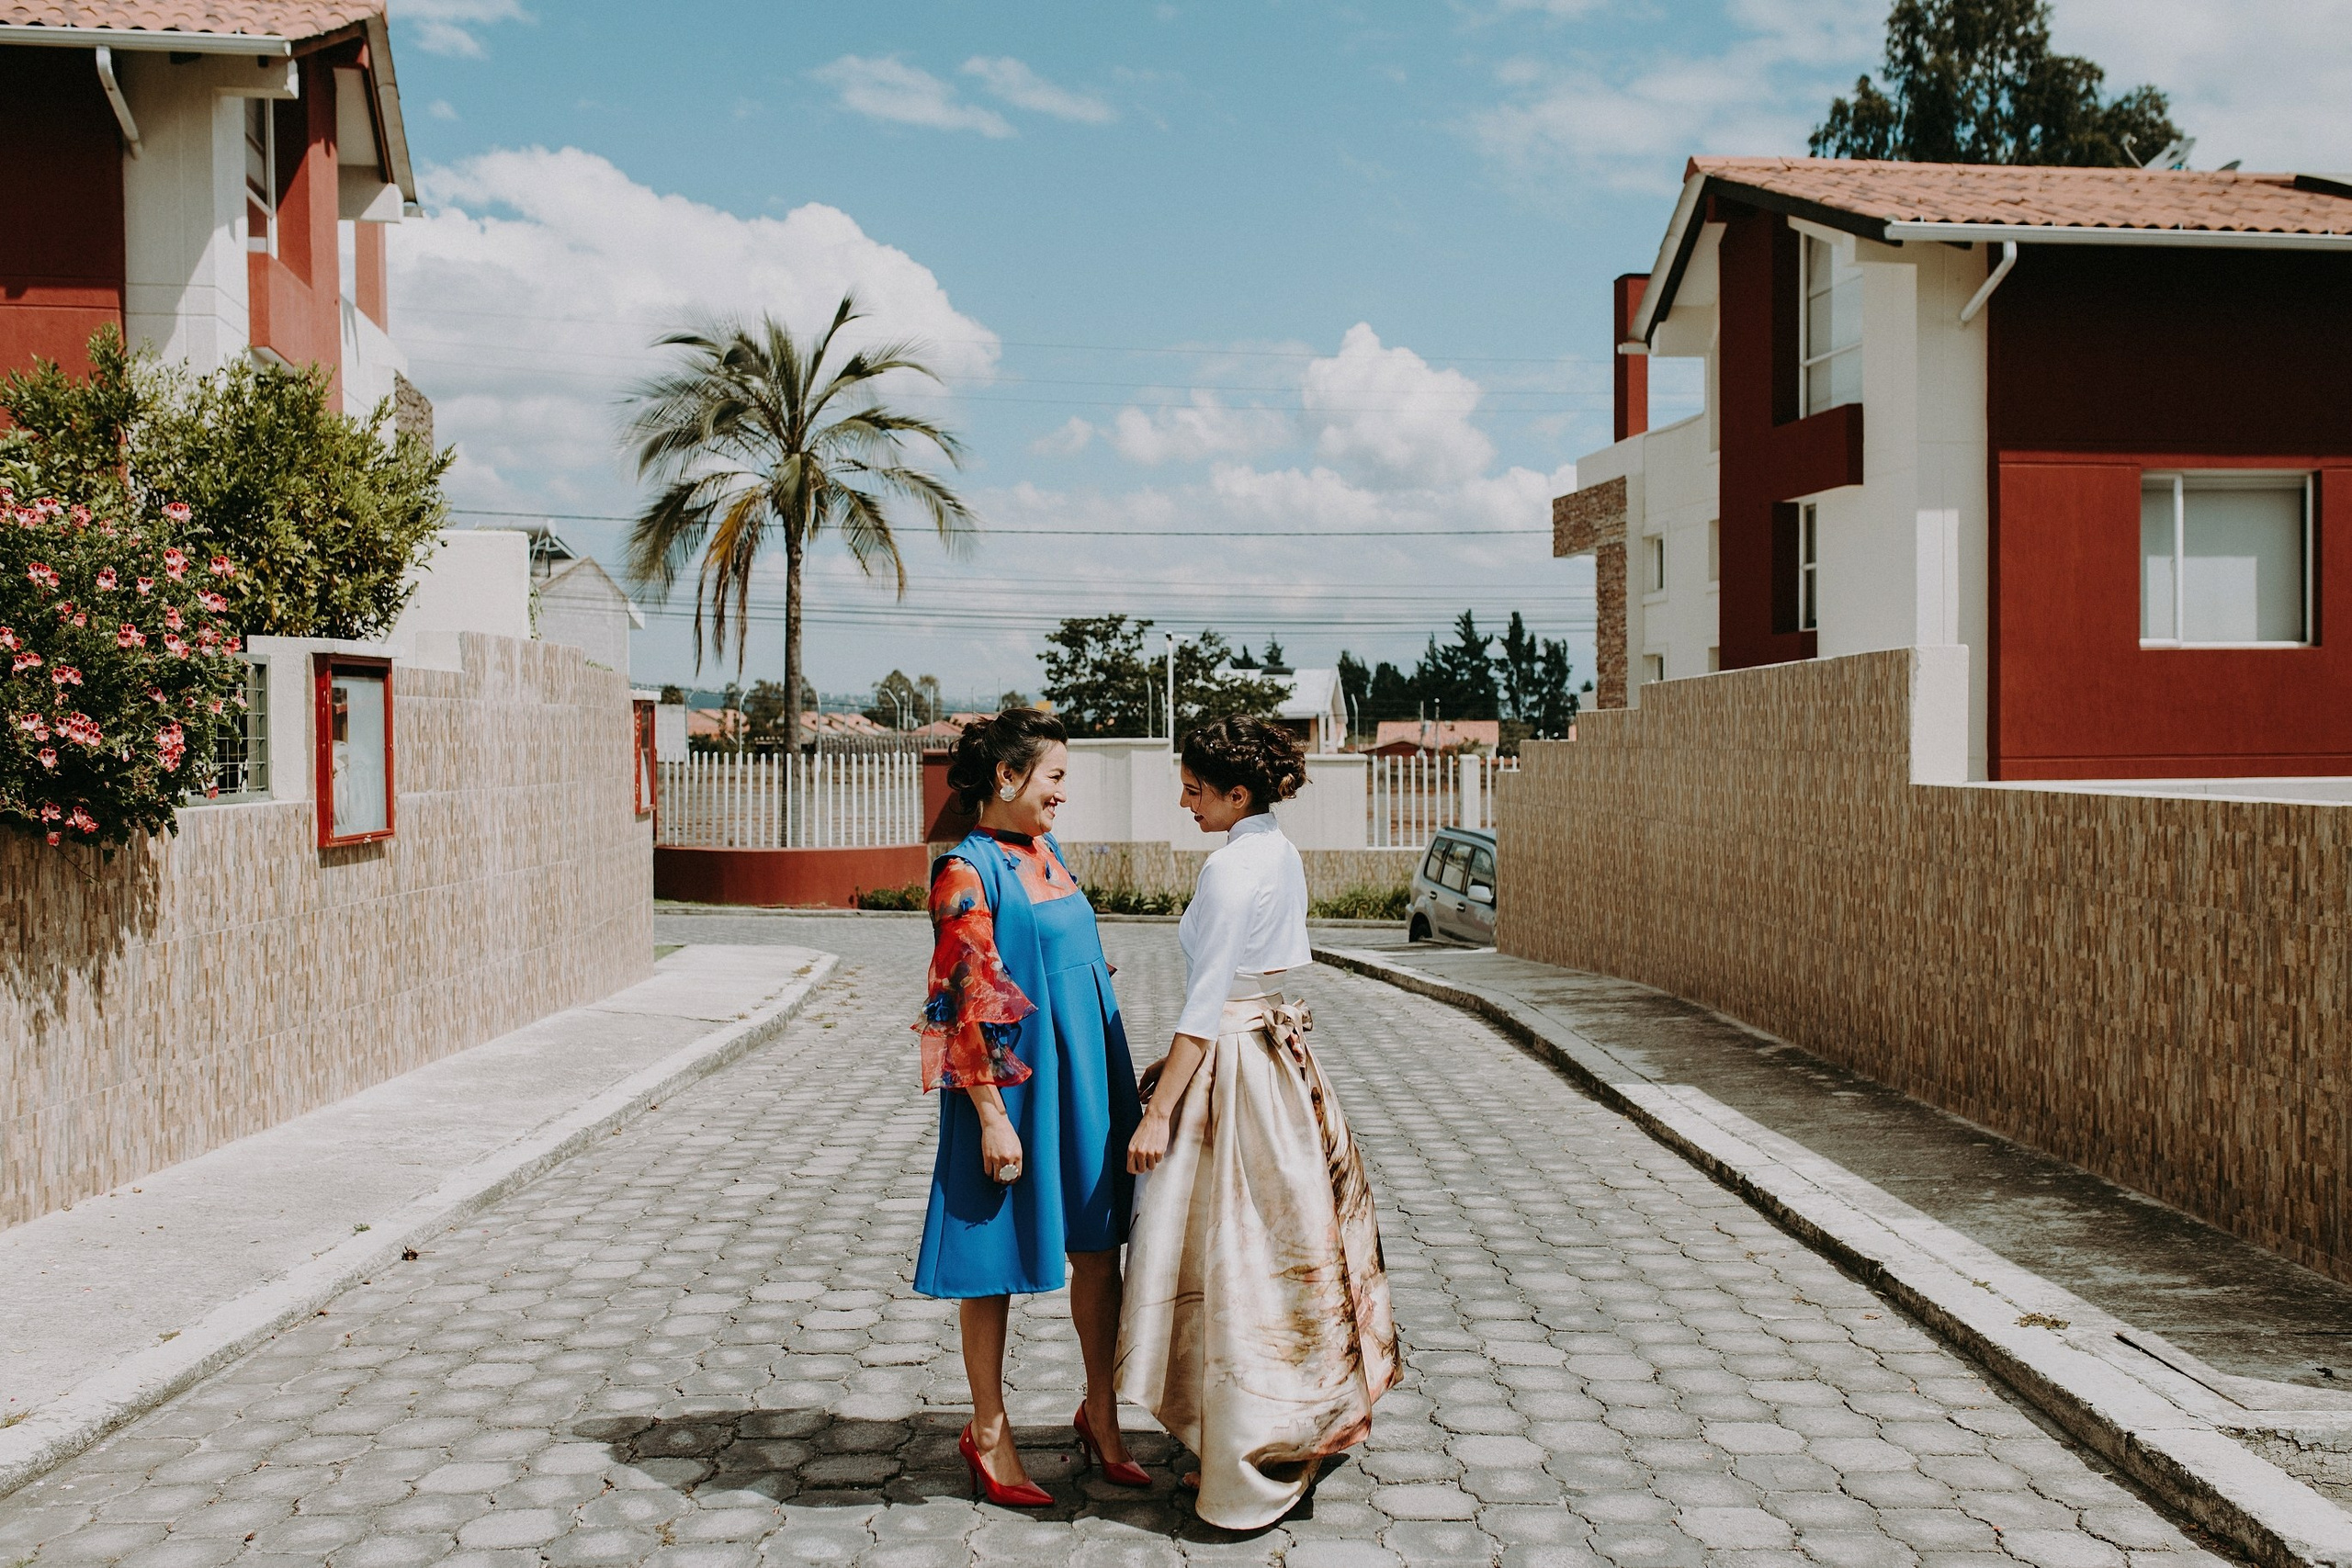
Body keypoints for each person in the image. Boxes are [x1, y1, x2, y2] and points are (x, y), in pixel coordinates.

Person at [1114, 716, 1399, 1531]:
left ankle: (1245, 1447)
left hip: (1234, 1058)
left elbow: (1204, 1007)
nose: (1183, 800)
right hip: (1277, 1057)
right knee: (1284, 1245)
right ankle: (1283, 1419)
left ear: (1237, 793)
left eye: (1194, 788)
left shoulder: (1232, 867)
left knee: (1230, 1253)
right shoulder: (1278, 849)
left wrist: (1158, 1111)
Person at [914, 708, 1150, 1506]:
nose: (1061, 795)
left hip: (1086, 1072)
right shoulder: (965, 870)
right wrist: (989, 1115)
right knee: (993, 1256)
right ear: (1007, 778)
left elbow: (1069, 958)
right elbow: (957, 1002)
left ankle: (1102, 1414)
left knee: (1101, 1240)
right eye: (1053, 778)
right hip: (1014, 1083)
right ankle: (987, 1429)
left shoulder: (1046, 851)